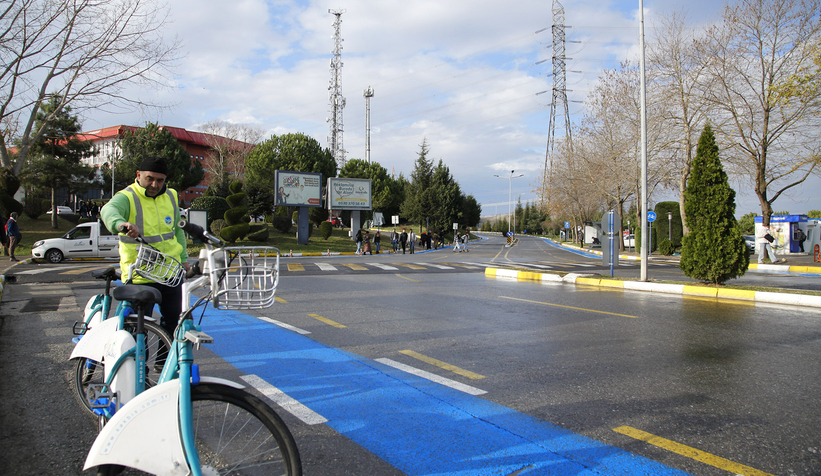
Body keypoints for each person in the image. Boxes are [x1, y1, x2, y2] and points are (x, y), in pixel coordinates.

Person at [100, 156, 189, 343]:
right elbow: (109, 210)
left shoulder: (171, 195)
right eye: (150, 178)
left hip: (171, 272)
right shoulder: (127, 196)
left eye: (160, 180)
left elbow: (177, 230)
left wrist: (184, 259)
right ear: (138, 175)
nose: (155, 184)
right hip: (140, 274)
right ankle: (138, 361)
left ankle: (165, 360)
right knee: (138, 329)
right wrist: (121, 224)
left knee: (174, 324)